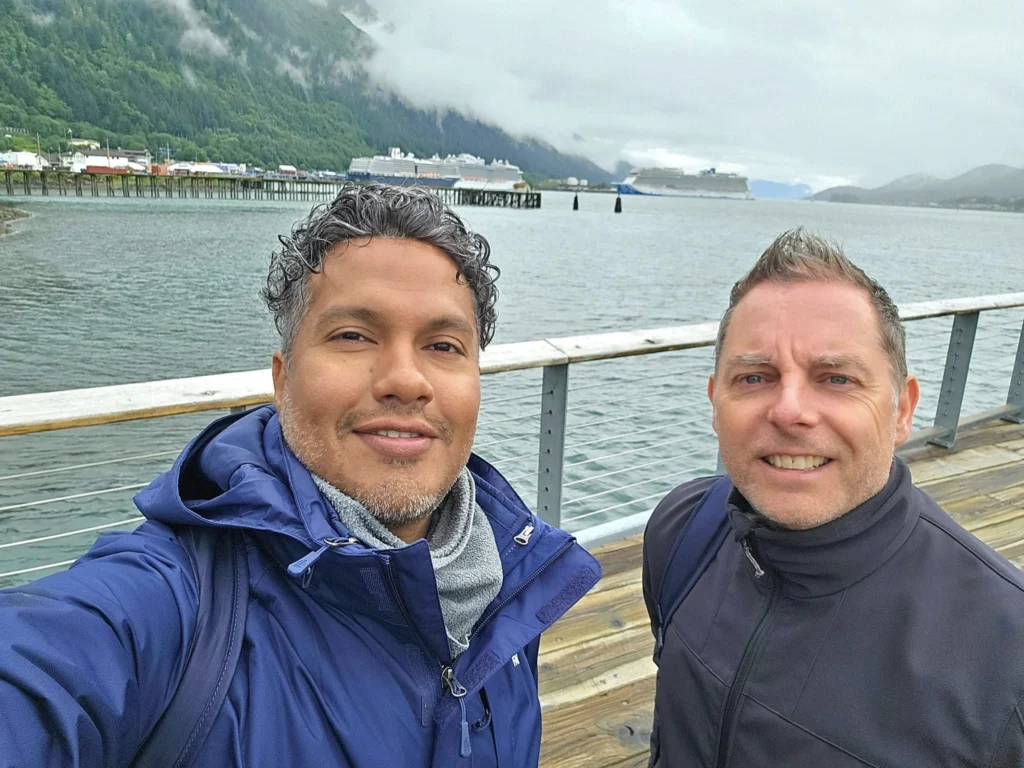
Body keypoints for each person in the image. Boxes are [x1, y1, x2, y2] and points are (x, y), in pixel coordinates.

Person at [0, 184, 601, 768]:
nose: (405, 378)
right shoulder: (174, 610)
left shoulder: (507, 575)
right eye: (353, 336)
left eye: (443, 346)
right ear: (282, 378)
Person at [642, 228, 1024, 767]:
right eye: (754, 377)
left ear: (901, 410)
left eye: (836, 379)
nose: (789, 410)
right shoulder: (682, 533)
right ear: (714, 401)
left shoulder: (1005, 654)